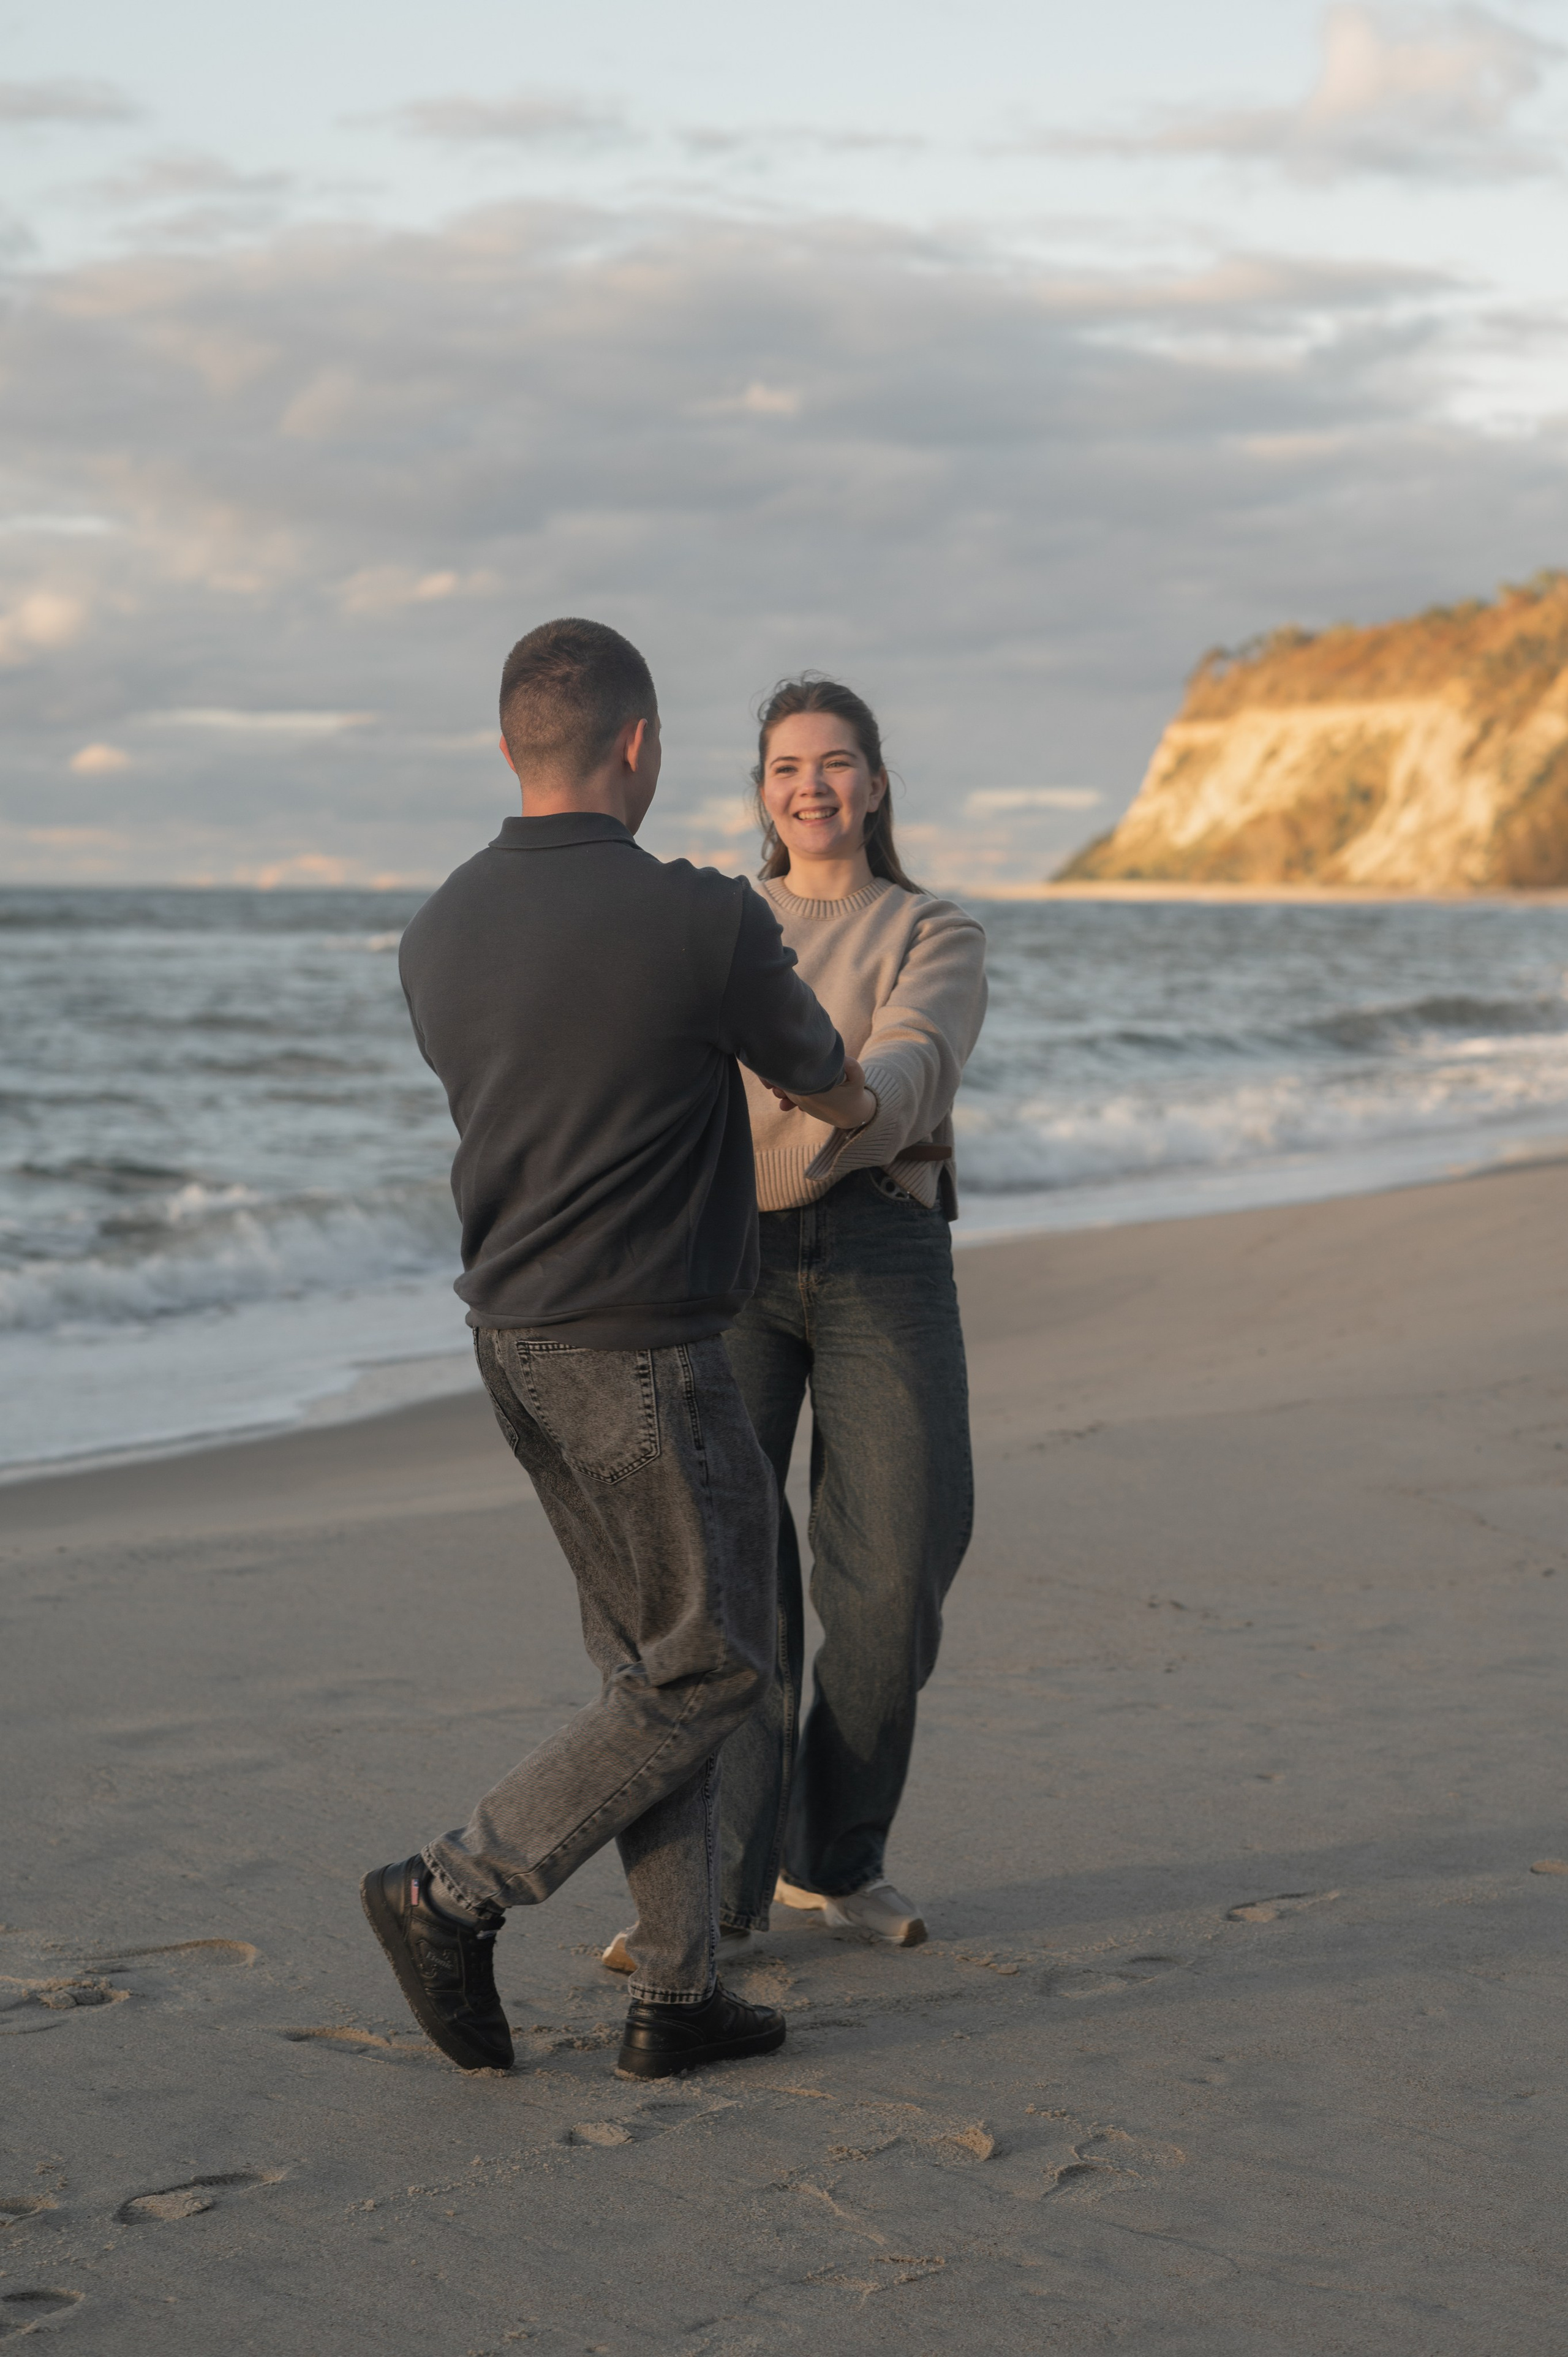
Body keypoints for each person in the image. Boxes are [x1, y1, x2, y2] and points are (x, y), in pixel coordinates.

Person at [363, 619, 875, 2080]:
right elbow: (822, 1076)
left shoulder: (436, 925)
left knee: (642, 1679)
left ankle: (676, 1991)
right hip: (643, 1347)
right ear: (639, 746)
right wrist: (860, 1113)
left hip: (509, 1336)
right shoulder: (700, 917)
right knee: (712, 1671)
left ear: (511, 745)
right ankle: (451, 1888)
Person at [602, 674, 987, 1974]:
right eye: (783, 768)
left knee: (896, 1572)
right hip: (723, 1259)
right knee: (732, 1586)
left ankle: (839, 1855)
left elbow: (907, 1071)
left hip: (881, 1246)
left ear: (875, 783)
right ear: (758, 792)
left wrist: (817, 1085)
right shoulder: (717, 920)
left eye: (834, 763)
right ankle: (719, 1883)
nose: (809, 786)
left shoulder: (932, 928)